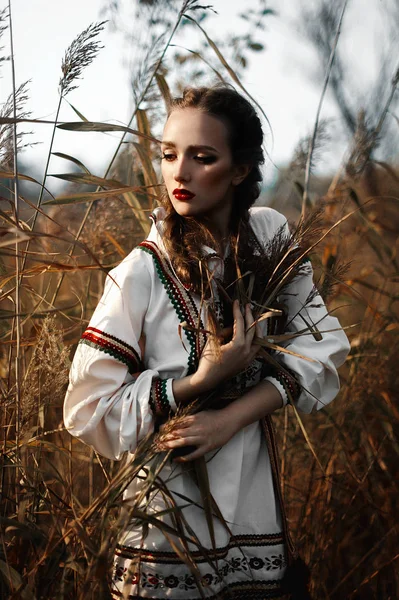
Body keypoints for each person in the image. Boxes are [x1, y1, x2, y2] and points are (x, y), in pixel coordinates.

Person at [63, 85, 350, 599]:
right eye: (169, 154)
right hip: (169, 518)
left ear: (239, 169)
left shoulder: (267, 239)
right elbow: (87, 409)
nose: (180, 173)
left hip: (255, 512)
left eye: (203, 157)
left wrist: (229, 419)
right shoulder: (141, 273)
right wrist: (200, 381)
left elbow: (321, 349)